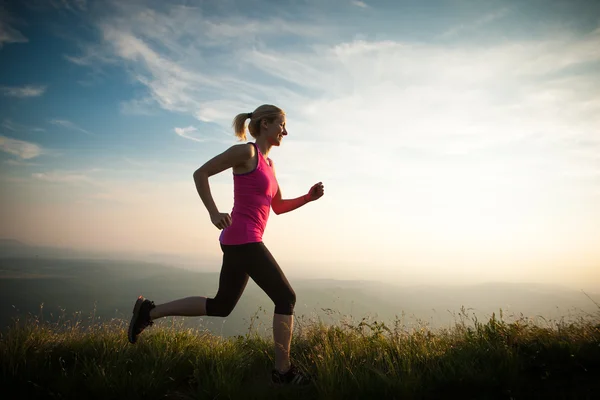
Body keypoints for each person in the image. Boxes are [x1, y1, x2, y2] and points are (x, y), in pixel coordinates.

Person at [127, 104, 324, 386]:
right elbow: (200, 173)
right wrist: (213, 212)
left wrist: (307, 197)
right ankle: (283, 372)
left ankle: (149, 311)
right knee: (286, 298)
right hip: (244, 240)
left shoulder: (269, 165)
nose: (286, 131)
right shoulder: (247, 152)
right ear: (265, 124)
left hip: (240, 241)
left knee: (221, 305)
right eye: (282, 125)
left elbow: (277, 207)